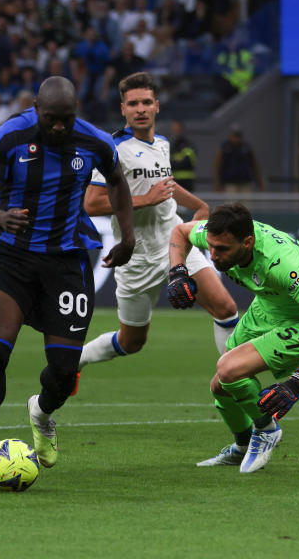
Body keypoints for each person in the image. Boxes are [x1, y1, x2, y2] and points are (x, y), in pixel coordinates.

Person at [0, 76, 136, 485]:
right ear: (36, 108)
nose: (59, 127)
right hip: (12, 259)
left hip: (66, 264)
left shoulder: (95, 143)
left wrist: (128, 236)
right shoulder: (9, 137)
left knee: (62, 371)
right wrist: (0, 217)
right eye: (52, 119)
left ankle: (42, 411)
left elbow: (117, 184)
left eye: (66, 119)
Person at [79, 72, 238, 381]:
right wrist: (145, 200)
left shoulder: (162, 143)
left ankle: (236, 384)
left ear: (157, 107)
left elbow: (164, 184)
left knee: (226, 309)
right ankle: (78, 360)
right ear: (123, 108)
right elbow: (92, 203)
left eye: (146, 102)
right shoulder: (112, 149)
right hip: (136, 257)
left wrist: (198, 204)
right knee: (132, 341)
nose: (141, 109)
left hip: (174, 241)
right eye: (134, 103)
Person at [167, 203, 299, 473]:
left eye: (222, 249)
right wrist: (177, 272)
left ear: (247, 242)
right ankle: (242, 445)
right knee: (220, 387)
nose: (213, 255)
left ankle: (266, 429)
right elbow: (180, 231)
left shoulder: (279, 263)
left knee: (228, 369)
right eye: (210, 247)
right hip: (267, 309)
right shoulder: (218, 234)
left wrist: (298, 382)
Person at [213, 124, 266, 192]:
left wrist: (260, 182)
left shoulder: (246, 148)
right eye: (235, 136)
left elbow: (255, 166)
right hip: (230, 182)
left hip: (245, 182)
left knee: (246, 202)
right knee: (231, 202)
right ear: (230, 136)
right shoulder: (224, 148)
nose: (236, 139)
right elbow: (217, 166)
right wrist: (217, 183)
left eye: (238, 136)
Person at [169, 120, 197, 191]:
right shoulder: (172, 145)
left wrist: (175, 161)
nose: (175, 131)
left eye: (177, 129)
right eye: (174, 129)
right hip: (174, 181)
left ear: (181, 130)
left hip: (187, 182)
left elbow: (187, 162)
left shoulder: (187, 144)